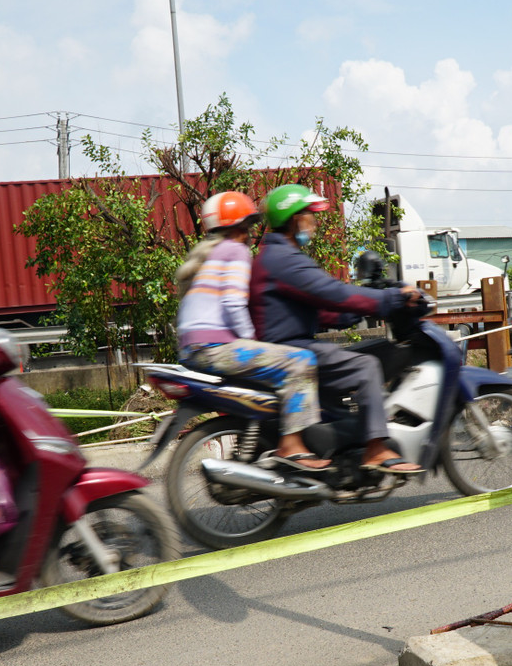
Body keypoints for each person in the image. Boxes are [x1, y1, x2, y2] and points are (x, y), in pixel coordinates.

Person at [249, 184, 424, 475]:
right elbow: (335, 293)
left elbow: (320, 307)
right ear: (294, 220)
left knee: (348, 361)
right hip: (290, 348)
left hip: (287, 343)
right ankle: (376, 449)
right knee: (366, 366)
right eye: (309, 216)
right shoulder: (285, 260)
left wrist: (352, 314)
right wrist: (392, 299)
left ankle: (338, 451)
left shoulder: (276, 256)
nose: (314, 224)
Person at [176, 191, 329, 470]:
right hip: (214, 347)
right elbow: (233, 303)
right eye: (248, 227)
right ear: (239, 227)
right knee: (301, 361)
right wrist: (253, 339)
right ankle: (292, 446)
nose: (250, 234)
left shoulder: (208, 256)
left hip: (193, 348)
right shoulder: (235, 251)